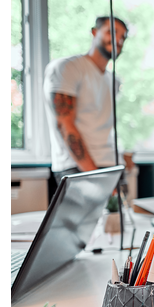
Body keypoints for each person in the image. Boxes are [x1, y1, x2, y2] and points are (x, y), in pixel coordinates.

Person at [43, 16, 128, 182]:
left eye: (123, 37)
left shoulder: (114, 81)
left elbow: (101, 125)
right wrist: (94, 174)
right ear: (94, 33)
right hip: (78, 168)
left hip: (112, 165)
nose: (118, 40)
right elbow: (65, 124)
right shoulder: (67, 68)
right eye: (112, 32)